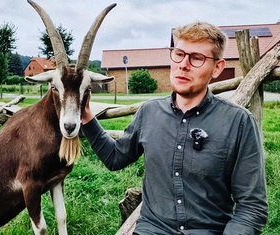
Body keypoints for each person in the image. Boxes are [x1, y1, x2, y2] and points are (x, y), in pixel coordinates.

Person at [81, 21, 268, 235]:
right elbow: (115, 158)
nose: (183, 64)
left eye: (197, 58)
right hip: (152, 230)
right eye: (179, 54)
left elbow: (252, 208)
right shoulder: (149, 112)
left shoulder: (239, 122)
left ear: (217, 68)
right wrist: (86, 116)